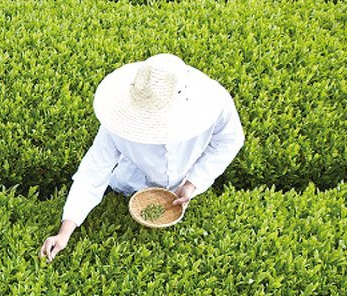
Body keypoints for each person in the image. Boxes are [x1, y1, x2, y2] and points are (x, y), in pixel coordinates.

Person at [40, 53, 244, 261]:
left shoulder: (215, 104)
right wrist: (64, 233)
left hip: (184, 182)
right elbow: (93, 172)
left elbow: (229, 141)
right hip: (129, 182)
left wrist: (193, 183)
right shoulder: (117, 124)